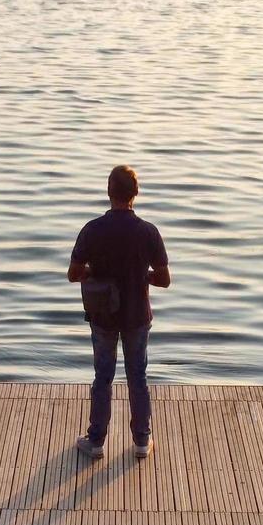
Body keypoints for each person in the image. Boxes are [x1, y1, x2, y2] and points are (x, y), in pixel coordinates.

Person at [68, 165, 170, 460]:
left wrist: (92, 271)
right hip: (138, 315)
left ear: (109, 191)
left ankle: (96, 440)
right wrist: (142, 275)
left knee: (103, 376)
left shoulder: (92, 230)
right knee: (138, 376)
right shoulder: (148, 232)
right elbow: (164, 279)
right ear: (135, 194)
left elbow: (73, 274)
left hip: (103, 315)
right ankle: (141, 440)